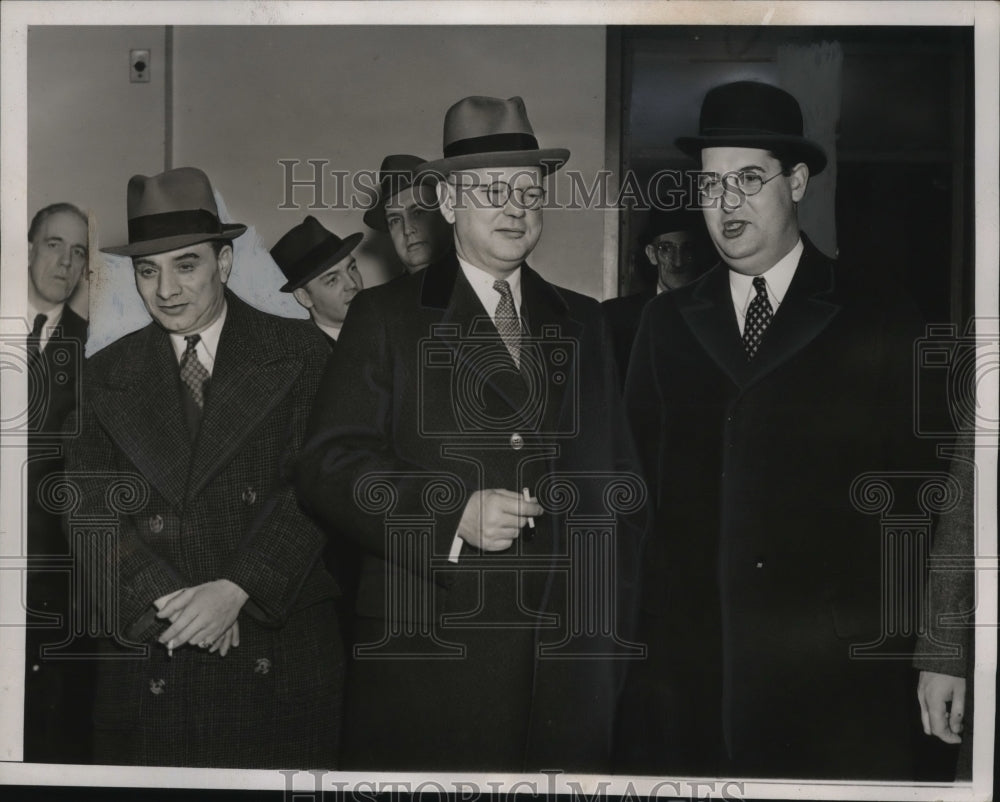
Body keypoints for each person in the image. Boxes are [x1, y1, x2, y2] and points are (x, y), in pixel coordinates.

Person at [295, 95, 643, 773]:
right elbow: (327, 466)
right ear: (448, 204)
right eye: (491, 191)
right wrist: (451, 509)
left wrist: (611, 648)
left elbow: (620, 495)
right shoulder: (386, 316)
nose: (515, 208)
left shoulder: (585, 321)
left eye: (527, 189)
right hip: (432, 669)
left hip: (565, 676)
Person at [617, 80, 934, 779]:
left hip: (836, 679)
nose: (725, 203)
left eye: (748, 179)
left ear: (795, 182)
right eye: (710, 183)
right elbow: (636, 497)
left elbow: (923, 500)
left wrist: (938, 653)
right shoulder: (664, 324)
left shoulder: (879, 312)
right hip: (697, 681)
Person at [63, 167, 343, 768]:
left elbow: (319, 490)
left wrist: (238, 587)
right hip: (153, 644)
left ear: (225, 261)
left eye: (185, 265)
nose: (165, 289)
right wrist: (175, 605)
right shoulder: (102, 374)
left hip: (277, 643)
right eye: (147, 269)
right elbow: (88, 511)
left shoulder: (300, 353)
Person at [23, 202, 92, 763]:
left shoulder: (95, 349)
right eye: (54, 245)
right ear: (28, 247)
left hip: (49, 574)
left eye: (78, 253)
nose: (65, 263)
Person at [602, 203, 705, 384]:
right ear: (651, 254)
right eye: (666, 248)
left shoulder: (715, 316)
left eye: (686, 248)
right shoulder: (615, 317)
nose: (678, 261)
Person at [271, 215, 364, 347]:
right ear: (304, 297)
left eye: (352, 268)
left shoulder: (386, 323)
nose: (352, 284)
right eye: (332, 280)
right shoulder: (309, 358)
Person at [363, 153, 453, 274]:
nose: (407, 230)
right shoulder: (380, 294)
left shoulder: (480, 285)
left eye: (418, 212)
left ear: (446, 210)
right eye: (395, 220)